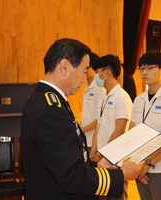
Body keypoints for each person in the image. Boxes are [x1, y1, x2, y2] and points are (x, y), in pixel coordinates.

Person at [21, 38, 141, 200]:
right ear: (64, 67)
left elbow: (62, 161)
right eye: (84, 70)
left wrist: (96, 165)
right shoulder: (51, 110)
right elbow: (71, 177)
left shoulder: (45, 100)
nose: (85, 79)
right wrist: (121, 175)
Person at [128, 50, 161, 200]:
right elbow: (132, 133)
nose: (144, 72)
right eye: (142, 68)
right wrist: (137, 164)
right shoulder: (138, 100)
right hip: (139, 167)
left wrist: (148, 164)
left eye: (149, 68)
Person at [90, 54, 133, 200]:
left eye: (97, 73)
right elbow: (99, 126)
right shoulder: (104, 97)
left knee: (116, 196)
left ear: (106, 73)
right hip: (102, 157)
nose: (96, 76)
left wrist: (104, 154)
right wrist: (94, 152)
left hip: (115, 159)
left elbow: (120, 130)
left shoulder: (121, 96)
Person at [81, 52, 106, 154]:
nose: (84, 70)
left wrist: (81, 130)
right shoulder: (86, 88)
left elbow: (100, 119)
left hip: (95, 141)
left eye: (87, 67)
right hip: (86, 140)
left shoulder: (100, 88)